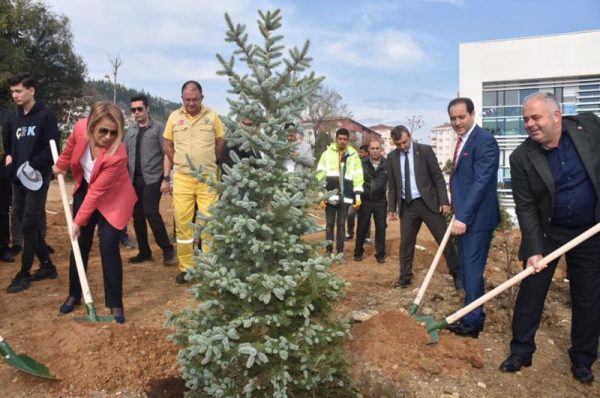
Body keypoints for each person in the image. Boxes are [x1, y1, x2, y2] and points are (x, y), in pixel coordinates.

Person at [499, 92, 600, 384]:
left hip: (590, 230)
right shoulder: (521, 157)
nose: (529, 124)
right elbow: (526, 206)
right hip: (549, 232)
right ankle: (521, 350)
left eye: (535, 117)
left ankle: (583, 359)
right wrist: (533, 249)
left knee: (588, 298)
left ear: (556, 115)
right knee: (531, 290)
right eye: (526, 119)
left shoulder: (589, 127)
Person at [53, 102, 136, 323]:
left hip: (114, 197)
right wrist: (60, 165)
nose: (109, 137)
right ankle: (74, 294)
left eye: (114, 132)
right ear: (91, 127)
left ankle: (115, 303)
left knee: (109, 246)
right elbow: (70, 147)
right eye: (103, 131)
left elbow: (98, 193)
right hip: (87, 188)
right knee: (79, 245)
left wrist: (78, 221)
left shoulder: (118, 155)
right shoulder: (80, 128)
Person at [446, 97, 499, 338]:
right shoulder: (463, 141)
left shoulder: (484, 142)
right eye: (453, 118)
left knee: (472, 270)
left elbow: (481, 183)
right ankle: (470, 314)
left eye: (461, 117)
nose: (457, 122)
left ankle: (474, 321)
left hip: (476, 220)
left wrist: (463, 217)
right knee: (468, 269)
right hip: (464, 218)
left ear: (472, 115)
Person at [164, 80, 224, 284]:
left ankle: (208, 267)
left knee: (208, 223)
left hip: (207, 178)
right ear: (182, 99)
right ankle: (186, 267)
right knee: (182, 223)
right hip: (182, 179)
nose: (191, 103)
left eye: (195, 99)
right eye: (187, 99)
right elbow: (168, 144)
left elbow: (219, 142)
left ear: (202, 98)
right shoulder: (174, 117)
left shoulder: (212, 117)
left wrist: (210, 162)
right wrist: (179, 163)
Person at [387, 125, 461, 289]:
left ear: (410, 137)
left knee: (444, 240)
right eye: (398, 144)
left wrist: (444, 201)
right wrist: (392, 207)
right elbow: (392, 185)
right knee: (406, 243)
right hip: (408, 206)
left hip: (429, 204)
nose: (402, 147)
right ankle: (405, 276)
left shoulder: (425, 151)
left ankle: (457, 275)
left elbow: (438, 177)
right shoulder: (392, 157)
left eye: (405, 142)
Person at [4, 73, 58, 293]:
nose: (15, 96)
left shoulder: (46, 116)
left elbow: (52, 149)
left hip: (37, 178)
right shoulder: (14, 118)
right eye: (13, 92)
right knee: (23, 219)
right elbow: (9, 144)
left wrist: (32, 164)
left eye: (19, 91)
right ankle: (47, 265)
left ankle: (24, 272)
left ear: (31, 90)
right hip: (18, 179)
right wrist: (10, 157)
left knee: (29, 223)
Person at [124, 94, 176, 266]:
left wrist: (166, 179)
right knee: (137, 215)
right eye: (133, 110)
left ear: (147, 109)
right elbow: (124, 156)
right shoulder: (130, 131)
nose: (136, 112)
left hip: (153, 178)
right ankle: (144, 251)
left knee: (150, 212)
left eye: (140, 109)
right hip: (133, 180)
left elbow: (167, 154)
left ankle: (167, 249)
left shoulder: (159, 128)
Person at [316, 128, 363, 255]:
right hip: (330, 196)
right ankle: (329, 250)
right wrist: (321, 194)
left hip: (345, 196)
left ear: (347, 140)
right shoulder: (327, 154)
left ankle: (340, 251)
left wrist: (358, 196)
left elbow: (358, 176)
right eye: (340, 139)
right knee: (330, 225)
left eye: (344, 139)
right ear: (336, 139)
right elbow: (319, 174)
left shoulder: (353, 156)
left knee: (341, 225)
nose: (342, 141)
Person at [354, 140, 388, 263]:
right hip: (365, 200)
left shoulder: (387, 164)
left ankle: (380, 254)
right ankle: (358, 252)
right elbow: (355, 179)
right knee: (362, 227)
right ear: (369, 150)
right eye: (372, 148)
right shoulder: (362, 163)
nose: (374, 151)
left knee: (381, 228)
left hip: (381, 201)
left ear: (381, 150)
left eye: (377, 148)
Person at [0, 108, 15, 262]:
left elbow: (12, 146)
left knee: (3, 212)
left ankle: (3, 248)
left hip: (2, 172)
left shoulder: (7, 117)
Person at [346, 144, 369, 241]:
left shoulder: (369, 164)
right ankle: (350, 233)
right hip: (355, 193)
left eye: (361, 152)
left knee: (365, 216)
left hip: (366, 194)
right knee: (350, 214)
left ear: (367, 153)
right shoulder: (354, 162)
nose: (359, 154)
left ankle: (366, 236)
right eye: (359, 152)